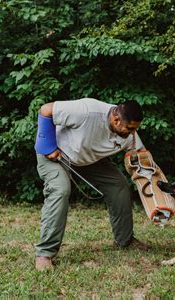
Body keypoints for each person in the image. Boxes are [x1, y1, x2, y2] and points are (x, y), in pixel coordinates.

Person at [34, 98, 151, 271]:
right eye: (130, 128)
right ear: (116, 120)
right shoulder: (87, 111)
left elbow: (140, 154)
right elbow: (46, 110)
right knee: (60, 190)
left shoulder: (129, 133)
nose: (133, 133)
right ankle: (45, 253)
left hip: (88, 159)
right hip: (57, 155)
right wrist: (47, 145)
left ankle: (124, 240)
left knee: (119, 185)